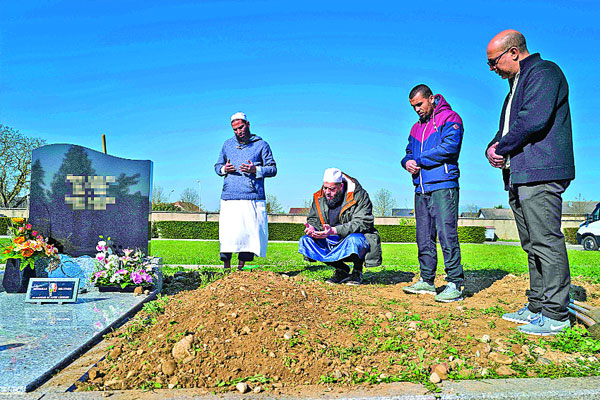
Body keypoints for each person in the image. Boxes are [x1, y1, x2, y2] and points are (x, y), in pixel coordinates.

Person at [485, 30, 575, 335]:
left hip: (541, 171)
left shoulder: (544, 73)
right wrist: (493, 145)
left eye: (493, 62)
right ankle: (537, 305)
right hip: (520, 174)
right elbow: (510, 127)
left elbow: (533, 119)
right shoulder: (515, 87)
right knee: (531, 243)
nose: (492, 69)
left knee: (546, 240)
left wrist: (502, 146)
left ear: (512, 52)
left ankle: (555, 314)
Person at [400, 84, 465, 303]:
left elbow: (449, 148)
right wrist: (407, 162)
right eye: (413, 106)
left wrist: (418, 160)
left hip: (444, 184)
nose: (417, 109)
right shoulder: (415, 129)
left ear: (431, 98)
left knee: (447, 234)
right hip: (421, 188)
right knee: (424, 236)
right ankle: (427, 281)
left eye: (419, 104)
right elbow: (408, 153)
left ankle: (455, 283)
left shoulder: (450, 118)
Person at [214, 112, 277, 270]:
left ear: (248, 124)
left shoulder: (262, 145)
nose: (238, 131)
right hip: (229, 197)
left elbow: (273, 169)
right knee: (229, 235)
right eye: (235, 129)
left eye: (241, 127)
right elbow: (217, 166)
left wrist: (255, 169)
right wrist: (223, 169)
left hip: (252, 197)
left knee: (248, 236)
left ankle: (240, 269)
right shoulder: (227, 145)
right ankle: (226, 268)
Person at [298, 168, 382, 285]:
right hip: (329, 238)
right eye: (325, 188)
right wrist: (312, 228)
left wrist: (334, 230)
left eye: (331, 189)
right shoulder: (319, 197)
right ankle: (341, 269)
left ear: (341, 186)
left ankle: (357, 272)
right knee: (305, 241)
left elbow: (363, 222)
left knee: (354, 240)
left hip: (351, 238)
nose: (327, 192)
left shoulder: (359, 196)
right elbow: (313, 219)